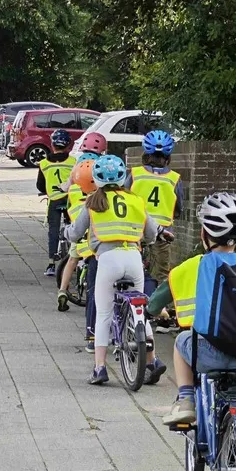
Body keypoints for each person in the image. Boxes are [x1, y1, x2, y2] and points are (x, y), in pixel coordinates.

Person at [148, 191, 236, 429]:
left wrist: (153, 310)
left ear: (204, 234)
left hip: (206, 353)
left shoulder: (192, 266)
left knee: (180, 341)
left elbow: (157, 301)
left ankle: (186, 400)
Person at [65, 154, 168, 386]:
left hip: (108, 260)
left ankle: (100, 368)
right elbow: (151, 233)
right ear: (123, 177)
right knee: (140, 309)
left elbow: (75, 233)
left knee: (104, 314)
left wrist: (66, 233)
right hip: (133, 258)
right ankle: (152, 360)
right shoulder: (136, 201)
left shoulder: (92, 203)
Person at [129, 130, 183, 301]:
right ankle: (159, 312)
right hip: (163, 233)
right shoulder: (174, 178)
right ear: (168, 157)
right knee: (161, 273)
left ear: (146, 153)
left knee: (132, 268)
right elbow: (179, 206)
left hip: (136, 229)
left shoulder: (135, 173)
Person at [57, 153, 98, 312]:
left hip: (78, 231)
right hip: (94, 233)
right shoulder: (98, 192)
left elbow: (67, 205)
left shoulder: (73, 189)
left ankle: (62, 290)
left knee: (72, 260)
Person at [36, 129, 77, 276]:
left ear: (52, 145)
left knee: (53, 230)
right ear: (68, 146)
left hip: (54, 199)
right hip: (71, 199)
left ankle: (51, 264)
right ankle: (75, 257)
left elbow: (40, 186)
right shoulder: (73, 162)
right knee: (74, 226)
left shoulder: (44, 163)